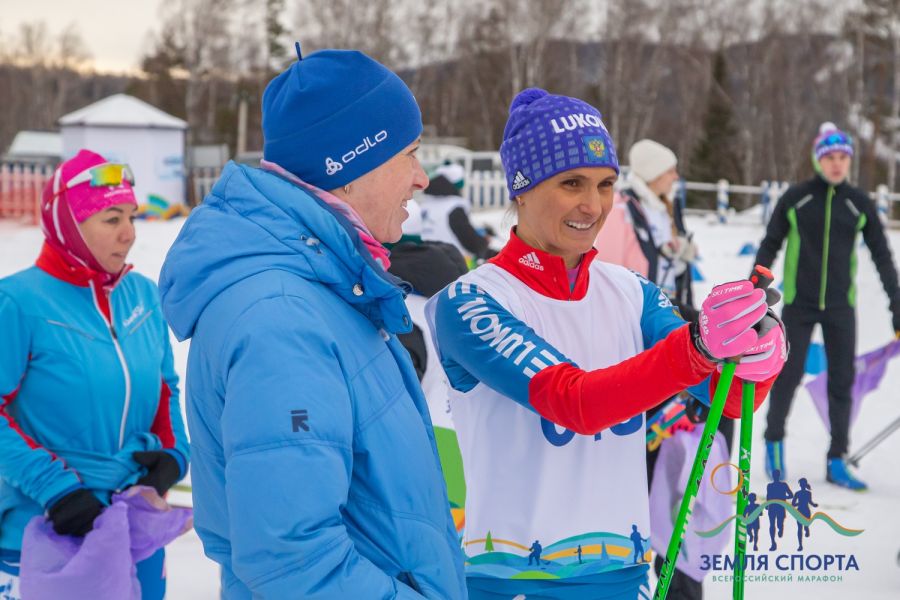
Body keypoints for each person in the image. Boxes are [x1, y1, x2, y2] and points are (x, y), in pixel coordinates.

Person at [427, 87, 788, 599]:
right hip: (513, 580)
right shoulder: (470, 302)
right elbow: (574, 401)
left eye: (605, 184)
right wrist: (700, 347)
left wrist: (756, 352)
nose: (592, 205)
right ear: (521, 189)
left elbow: (730, 398)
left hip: (621, 574)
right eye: (571, 183)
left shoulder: (631, 291)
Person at [158, 45, 466, 599]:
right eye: (410, 154)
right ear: (351, 167)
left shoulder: (326, 288)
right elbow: (292, 559)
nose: (421, 178)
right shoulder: (281, 320)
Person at [0, 150, 189, 599]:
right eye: (110, 218)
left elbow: (167, 388)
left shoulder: (142, 296)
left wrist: (173, 454)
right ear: (68, 223)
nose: (128, 233)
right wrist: (57, 489)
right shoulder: (18, 302)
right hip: (47, 527)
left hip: (131, 527)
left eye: (131, 215)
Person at [755, 122, 900, 490]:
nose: (837, 164)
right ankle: (773, 444)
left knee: (842, 381)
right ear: (818, 160)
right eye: (829, 157)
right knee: (786, 375)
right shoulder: (796, 198)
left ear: (849, 161)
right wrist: (753, 295)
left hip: (840, 307)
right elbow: (770, 245)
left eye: (843, 157)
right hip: (798, 305)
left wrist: (897, 307)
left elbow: (883, 257)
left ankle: (837, 457)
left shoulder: (858, 203)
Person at [594, 139, 699, 320]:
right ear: (654, 175)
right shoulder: (622, 208)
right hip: (639, 309)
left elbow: (669, 262)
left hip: (668, 303)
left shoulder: (666, 206)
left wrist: (681, 255)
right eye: (670, 171)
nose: (676, 177)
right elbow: (607, 267)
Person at [420, 163, 496, 265]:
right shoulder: (453, 207)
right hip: (453, 264)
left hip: (426, 260)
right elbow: (470, 241)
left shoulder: (425, 205)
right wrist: (484, 242)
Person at [765, 470, 793, 551]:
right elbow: (768, 496)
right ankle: (773, 542)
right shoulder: (769, 486)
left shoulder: (784, 485)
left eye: (776, 475)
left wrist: (783, 498)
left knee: (779, 523)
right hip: (772, 507)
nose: (775, 476)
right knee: (772, 524)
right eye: (774, 475)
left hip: (780, 507)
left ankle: (780, 528)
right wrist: (767, 505)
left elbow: (791, 495)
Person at [792, 478, 817, 551]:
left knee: (805, 525)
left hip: (806, 511)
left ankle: (806, 528)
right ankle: (800, 545)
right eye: (801, 484)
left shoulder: (808, 493)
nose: (802, 485)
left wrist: (814, 504)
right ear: (800, 485)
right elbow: (793, 504)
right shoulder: (797, 493)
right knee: (799, 528)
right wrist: (799, 503)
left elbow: (810, 502)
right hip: (800, 511)